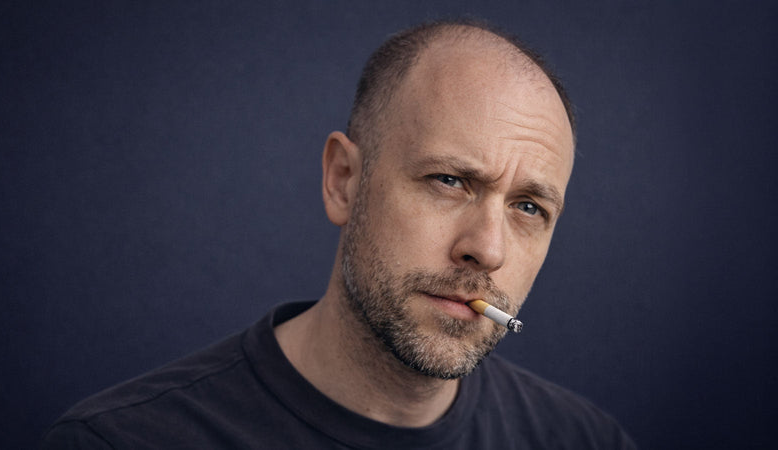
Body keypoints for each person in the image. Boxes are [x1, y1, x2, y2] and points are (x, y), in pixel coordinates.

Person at [43, 19, 636, 449]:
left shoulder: (584, 440)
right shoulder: (119, 441)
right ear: (344, 180)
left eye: (529, 207)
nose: (487, 248)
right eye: (450, 180)